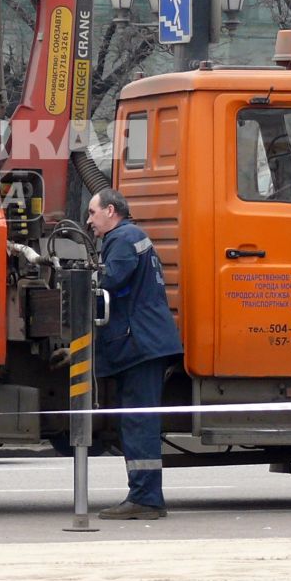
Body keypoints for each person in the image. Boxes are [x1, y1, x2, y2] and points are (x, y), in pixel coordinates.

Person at [86, 186, 182, 521]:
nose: (89, 221)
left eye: (93, 213)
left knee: (139, 421)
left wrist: (81, 280)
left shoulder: (124, 240)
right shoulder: (131, 237)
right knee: (138, 420)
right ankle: (145, 495)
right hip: (145, 342)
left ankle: (146, 499)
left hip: (141, 344)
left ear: (111, 211)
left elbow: (110, 281)